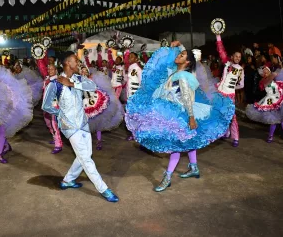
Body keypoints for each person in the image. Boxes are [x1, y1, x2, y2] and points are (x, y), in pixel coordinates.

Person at [125, 43, 234, 192]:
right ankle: (194, 167)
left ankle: (167, 177)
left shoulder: (182, 76)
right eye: (179, 54)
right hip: (173, 109)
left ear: (187, 62)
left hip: (180, 112)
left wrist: (190, 116)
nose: (178, 56)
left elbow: (186, 96)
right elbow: (176, 63)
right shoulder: (175, 72)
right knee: (189, 140)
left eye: (181, 56)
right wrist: (180, 46)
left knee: (175, 145)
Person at [42, 51, 119, 202]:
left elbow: (92, 86)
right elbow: (46, 105)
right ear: (68, 63)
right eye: (75, 61)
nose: (78, 63)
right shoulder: (54, 83)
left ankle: (68, 180)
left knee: (85, 154)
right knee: (85, 158)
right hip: (69, 126)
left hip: (83, 123)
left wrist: (72, 83)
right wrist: (60, 113)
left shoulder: (79, 79)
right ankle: (103, 188)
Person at [80, 66, 124, 150]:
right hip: (85, 104)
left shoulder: (93, 78)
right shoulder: (78, 81)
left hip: (96, 102)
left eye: (85, 71)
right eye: (82, 71)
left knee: (98, 122)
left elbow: (102, 87)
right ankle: (85, 142)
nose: (84, 72)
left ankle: (99, 141)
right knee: (85, 123)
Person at [215, 34, 244, 147]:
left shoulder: (240, 69)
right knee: (222, 113)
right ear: (232, 56)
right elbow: (221, 50)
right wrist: (218, 36)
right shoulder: (226, 62)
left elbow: (241, 84)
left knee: (232, 116)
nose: (237, 58)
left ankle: (235, 137)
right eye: (236, 56)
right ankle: (225, 133)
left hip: (230, 94)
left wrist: (232, 87)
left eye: (239, 57)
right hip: (220, 92)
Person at [37, 58, 63, 154]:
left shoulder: (58, 80)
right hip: (46, 106)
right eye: (49, 69)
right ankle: (55, 138)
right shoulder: (47, 80)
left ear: (56, 70)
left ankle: (58, 144)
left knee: (54, 125)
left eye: (52, 69)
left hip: (54, 106)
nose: (50, 71)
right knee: (49, 124)